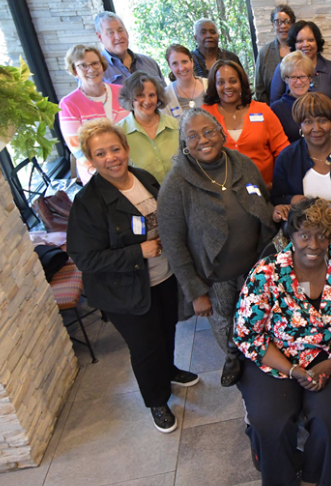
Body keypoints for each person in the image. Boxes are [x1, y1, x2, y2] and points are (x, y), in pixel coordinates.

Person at [234, 197, 331, 486]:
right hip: (278, 357)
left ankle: (316, 481)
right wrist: (291, 370)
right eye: (304, 235)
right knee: (271, 422)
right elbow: (248, 333)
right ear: (291, 235)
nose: (313, 245)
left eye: (322, 235)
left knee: (329, 422)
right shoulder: (266, 273)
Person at [67, 119, 198, 434]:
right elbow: (84, 257)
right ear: (90, 160)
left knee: (167, 330)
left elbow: (162, 216)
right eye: (100, 154)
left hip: (162, 276)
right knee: (145, 347)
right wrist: (138, 251)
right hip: (124, 291)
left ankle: (168, 370)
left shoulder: (143, 177)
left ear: (126, 149)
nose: (111, 157)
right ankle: (156, 400)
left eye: (115, 149)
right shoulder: (88, 203)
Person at [158, 108, 276, 388]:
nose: (203, 140)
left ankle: (266, 360)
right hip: (214, 275)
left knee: (262, 316)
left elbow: (262, 200)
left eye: (209, 131)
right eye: (193, 136)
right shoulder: (176, 184)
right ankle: (234, 359)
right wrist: (195, 292)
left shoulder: (243, 163)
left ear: (222, 134)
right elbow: (173, 244)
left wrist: (275, 214)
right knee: (226, 322)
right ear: (184, 144)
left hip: (255, 265)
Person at [271, 92, 331, 230]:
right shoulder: (288, 157)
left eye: (322, 120)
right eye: (308, 122)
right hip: (307, 240)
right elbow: (277, 198)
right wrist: (291, 200)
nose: (316, 128)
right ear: (300, 125)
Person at [202, 60, 290, 188]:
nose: (227, 86)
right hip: (224, 195)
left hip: (266, 190)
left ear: (241, 83)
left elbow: (283, 151)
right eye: (221, 82)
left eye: (233, 81)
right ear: (214, 86)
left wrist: (277, 183)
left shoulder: (262, 110)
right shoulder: (205, 115)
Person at [59, 44, 129, 184]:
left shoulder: (122, 92)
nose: (91, 69)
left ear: (102, 65)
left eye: (95, 63)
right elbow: (77, 147)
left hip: (131, 166)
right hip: (98, 177)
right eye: (83, 66)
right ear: (75, 71)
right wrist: (104, 173)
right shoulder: (68, 104)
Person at [117, 72, 179, 184]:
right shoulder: (119, 133)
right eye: (140, 95)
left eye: (151, 95)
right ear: (130, 98)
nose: (147, 101)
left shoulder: (174, 125)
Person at [269, 21, 331, 102]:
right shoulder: (282, 68)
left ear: (317, 42)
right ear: (294, 44)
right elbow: (275, 103)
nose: (305, 44)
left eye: (310, 40)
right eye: (300, 41)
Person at [94, 11, 163, 86]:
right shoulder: (95, 70)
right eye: (111, 33)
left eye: (120, 30)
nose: (118, 37)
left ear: (126, 32)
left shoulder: (149, 62)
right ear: (100, 37)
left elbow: (164, 96)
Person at [269, 51, 313, 145]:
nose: (299, 82)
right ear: (285, 79)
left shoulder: (320, 103)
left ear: (310, 78)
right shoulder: (276, 109)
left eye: (302, 76)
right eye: (293, 77)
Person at [254, 5, 296, 103]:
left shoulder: (300, 50)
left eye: (287, 21)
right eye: (278, 22)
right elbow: (260, 90)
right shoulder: (264, 53)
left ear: (292, 24)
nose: (283, 26)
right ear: (273, 25)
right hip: (272, 109)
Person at [162, 44, 208, 120]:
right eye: (175, 64)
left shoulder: (209, 85)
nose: (181, 68)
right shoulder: (165, 96)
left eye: (184, 61)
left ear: (192, 62)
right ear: (170, 67)